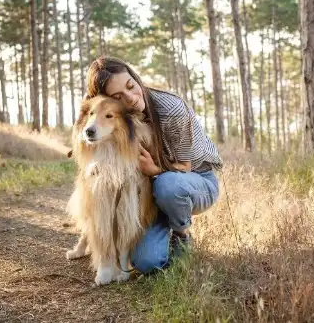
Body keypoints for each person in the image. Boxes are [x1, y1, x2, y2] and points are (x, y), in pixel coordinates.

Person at [84, 56, 223, 275]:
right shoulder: (120, 119)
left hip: (195, 181)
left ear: (135, 78)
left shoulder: (171, 109)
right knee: (147, 262)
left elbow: (184, 167)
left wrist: (155, 171)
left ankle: (181, 235)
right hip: (153, 195)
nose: (130, 98)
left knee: (168, 185)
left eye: (131, 86)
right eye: (118, 96)